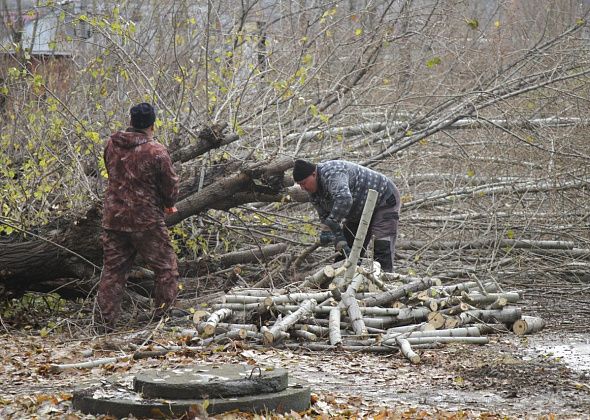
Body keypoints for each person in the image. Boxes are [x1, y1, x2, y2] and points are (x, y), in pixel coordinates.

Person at [96, 102, 180, 330]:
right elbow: (170, 185)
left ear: (131, 121)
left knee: (113, 273)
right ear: (153, 124)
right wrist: (169, 204)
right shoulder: (157, 151)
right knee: (165, 269)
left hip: (114, 218)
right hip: (146, 221)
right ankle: (161, 322)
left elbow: (110, 172)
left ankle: (103, 326)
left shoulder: (112, 145)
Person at [292, 159, 400, 272]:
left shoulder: (332, 172)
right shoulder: (314, 195)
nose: (303, 188)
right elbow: (326, 219)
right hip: (357, 210)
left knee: (382, 246)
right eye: (300, 185)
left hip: (384, 199)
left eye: (304, 183)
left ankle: (385, 278)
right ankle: (344, 282)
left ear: (314, 174)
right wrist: (340, 243)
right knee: (345, 253)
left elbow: (344, 199)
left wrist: (329, 224)